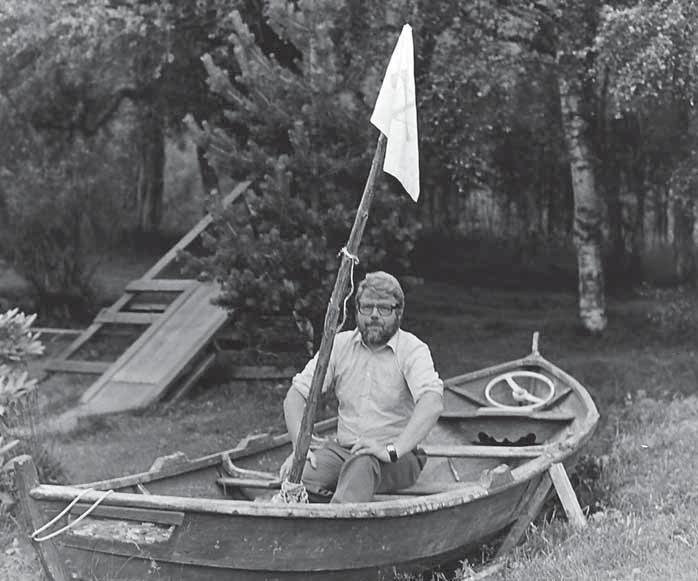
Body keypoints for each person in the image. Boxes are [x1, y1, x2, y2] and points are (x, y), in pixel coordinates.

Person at [279, 271, 444, 503]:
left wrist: (392, 450)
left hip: (397, 458)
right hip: (344, 451)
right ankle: (323, 509)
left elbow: (432, 403)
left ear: (399, 313)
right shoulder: (339, 345)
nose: (374, 315)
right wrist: (299, 448)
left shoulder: (413, 350)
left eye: (384, 308)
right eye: (367, 307)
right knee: (298, 478)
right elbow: (296, 396)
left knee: (362, 464)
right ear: (357, 310)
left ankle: (337, 526)